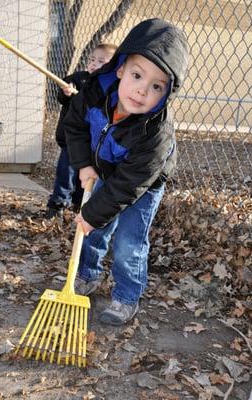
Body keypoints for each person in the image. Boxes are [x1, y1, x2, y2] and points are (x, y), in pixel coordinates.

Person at [64, 18, 189, 325]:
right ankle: (87, 276)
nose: (142, 91)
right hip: (106, 169)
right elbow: (73, 127)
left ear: (167, 93)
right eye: (137, 75)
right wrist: (83, 165)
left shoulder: (156, 133)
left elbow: (130, 184)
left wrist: (94, 213)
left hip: (143, 184)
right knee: (93, 229)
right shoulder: (94, 93)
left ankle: (126, 296)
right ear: (119, 69)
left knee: (128, 242)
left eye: (156, 86)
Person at [46, 43, 118, 218]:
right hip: (72, 139)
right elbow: (63, 94)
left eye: (101, 61)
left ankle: (79, 203)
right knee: (67, 172)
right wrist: (67, 91)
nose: (93, 63)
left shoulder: (111, 88)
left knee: (85, 175)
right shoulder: (80, 79)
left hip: (93, 142)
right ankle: (58, 204)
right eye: (92, 59)